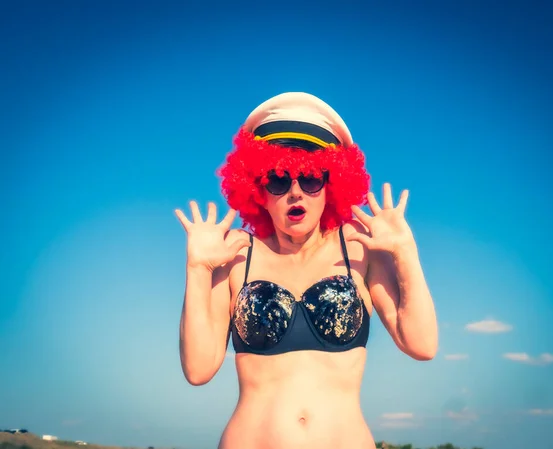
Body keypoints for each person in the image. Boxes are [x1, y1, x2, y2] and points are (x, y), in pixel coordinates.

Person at [174, 92, 438, 449]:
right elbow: (198, 369)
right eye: (279, 179)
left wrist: (405, 252)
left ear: (332, 185)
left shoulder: (361, 248)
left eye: (311, 178)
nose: (296, 192)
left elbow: (421, 345)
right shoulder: (236, 253)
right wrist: (197, 268)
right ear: (257, 190)